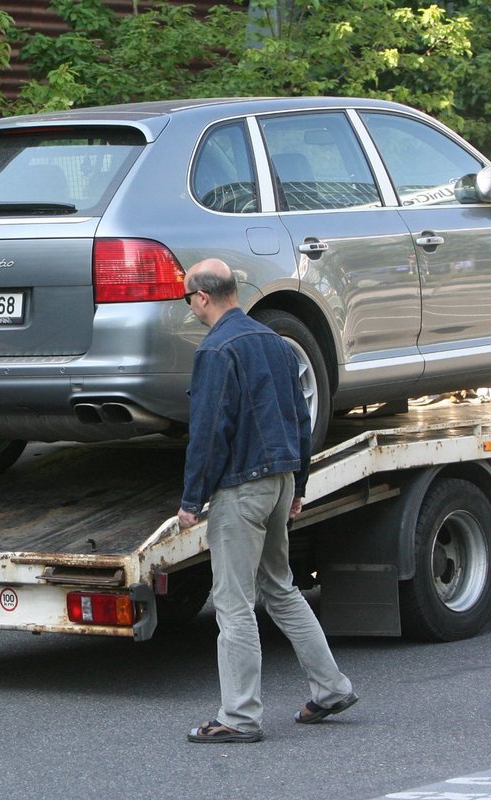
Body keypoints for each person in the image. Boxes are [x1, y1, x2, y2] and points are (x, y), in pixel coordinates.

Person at [178, 258, 357, 744]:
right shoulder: (276, 344)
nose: (188, 306)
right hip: (278, 482)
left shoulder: (217, 350)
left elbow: (210, 432)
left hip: (240, 489)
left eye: (186, 298)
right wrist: (298, 485)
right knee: (280, 588)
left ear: (201, 298)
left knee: (233, 604)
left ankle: (239, 717)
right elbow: (301, 419)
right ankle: (331, 688)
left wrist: (192, 499)